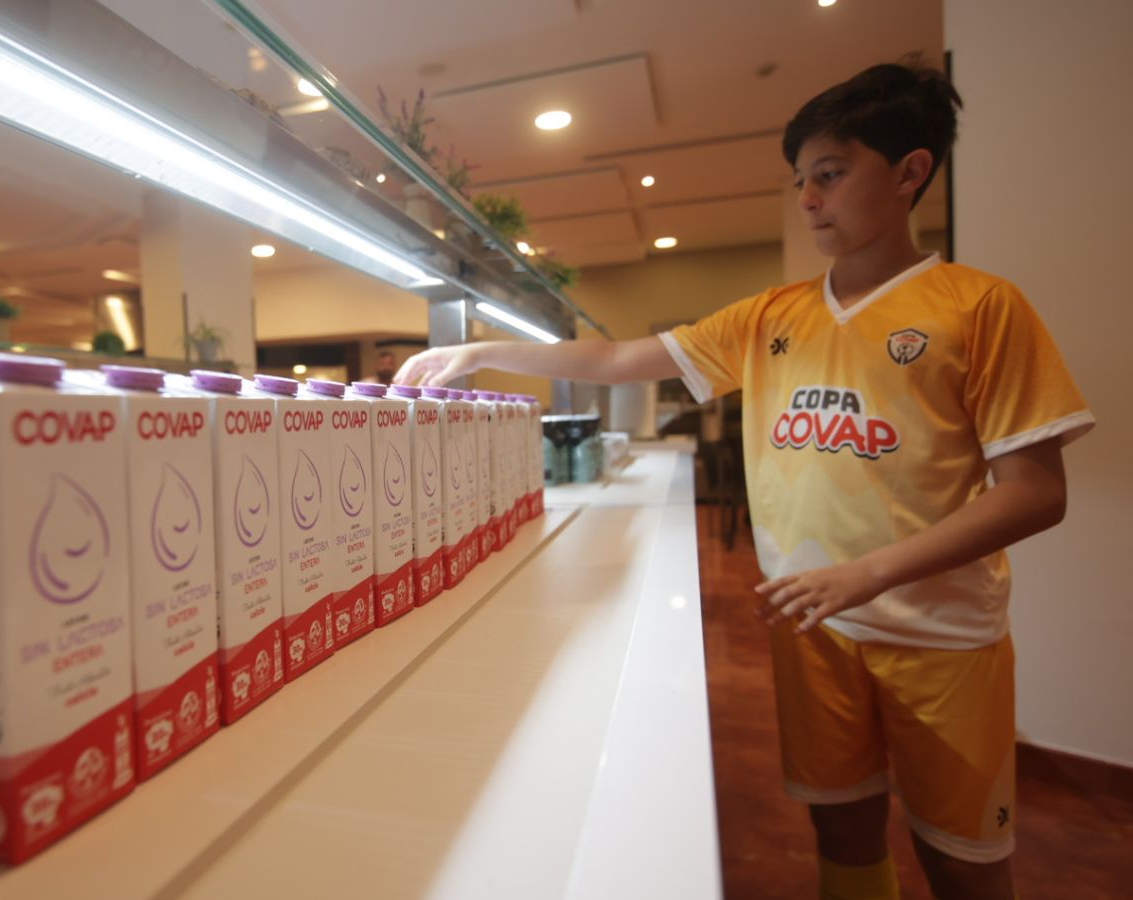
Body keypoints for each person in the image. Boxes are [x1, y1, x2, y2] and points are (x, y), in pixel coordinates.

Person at [397, 60, 1092, 900]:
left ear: (910, 172)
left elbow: (1035, 492)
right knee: (840, 827)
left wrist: (867, 574)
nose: (809, 199)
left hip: (941, 636)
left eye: (831, 174)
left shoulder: (981, 307)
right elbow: (618, 359)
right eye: (801, 180)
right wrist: (482, 351)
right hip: (813, 628)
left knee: (961, 858)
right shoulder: (770, 316)